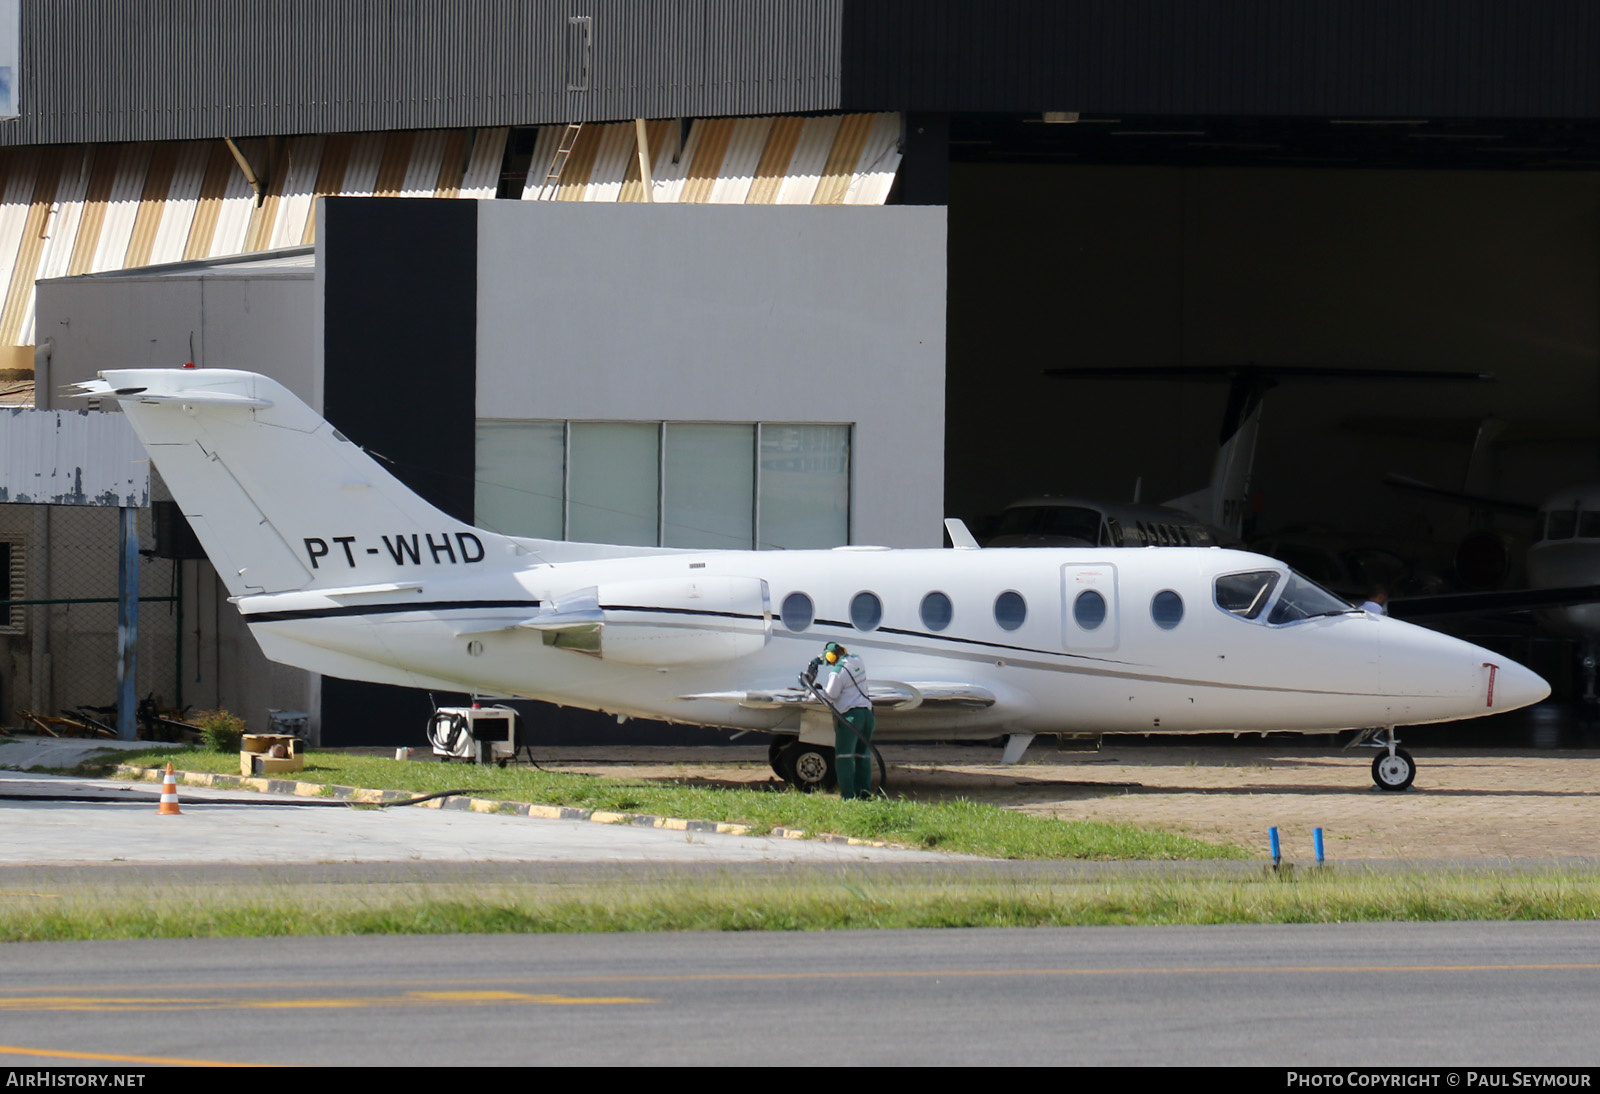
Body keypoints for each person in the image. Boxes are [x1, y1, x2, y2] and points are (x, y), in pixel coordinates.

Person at [810, 641, 875, 800]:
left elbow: (831, 695)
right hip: (867, 715)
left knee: (844, 758)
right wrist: (820, 659)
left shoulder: (837, 673)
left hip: (851, 719)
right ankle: (864, 795)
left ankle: (847, 796)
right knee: (862, 756)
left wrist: (815, 691)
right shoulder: (857, 660)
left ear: (831, 657)